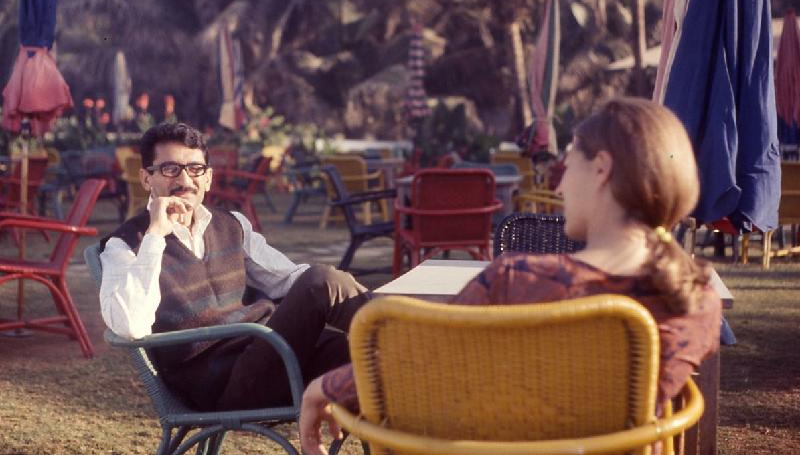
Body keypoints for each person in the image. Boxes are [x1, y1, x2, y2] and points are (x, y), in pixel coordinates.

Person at [299, 97, 722, 454]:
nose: (559, 188)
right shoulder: (696, 301)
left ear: (601, 168)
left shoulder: (518, 281)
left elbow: (414, 368)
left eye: (568, 166)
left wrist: (325, 387)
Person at [98, 122, 371, 411]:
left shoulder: (232, 224)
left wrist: (344, 289)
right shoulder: (125, 245)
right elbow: (129, 326)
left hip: (272, 354)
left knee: (374, 361)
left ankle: (396, 332)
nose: (185, 180)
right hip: (224, 385)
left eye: (195, 169)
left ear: (208, 178)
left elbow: (288, 279)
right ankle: (399, 321)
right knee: (321, 281)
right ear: (146, 178)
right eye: (170, 169)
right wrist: (155, 234)